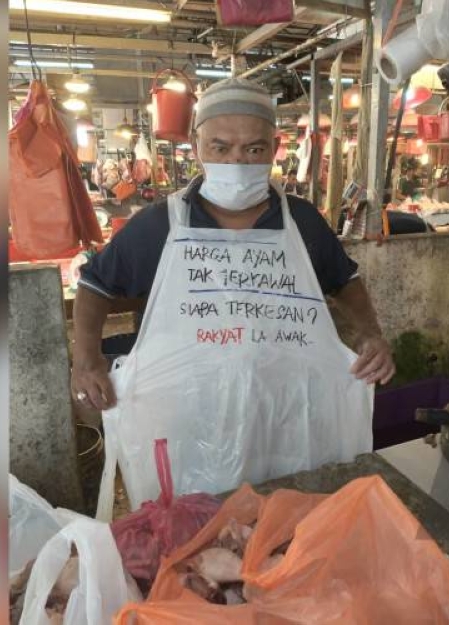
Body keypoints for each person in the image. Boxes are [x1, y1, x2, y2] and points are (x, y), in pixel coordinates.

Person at [70, 78, 394, 496]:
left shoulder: (302, 222)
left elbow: (344, 280)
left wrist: (371, 335)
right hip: (191, 419)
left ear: (274, 149)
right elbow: (94, 283)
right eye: (221, 147)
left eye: (254, 149)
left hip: (285, 415)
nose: (237, 161)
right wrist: (87, 359)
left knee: (286, 521)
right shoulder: (160, 224)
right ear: (196, 144)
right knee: (202, 533)